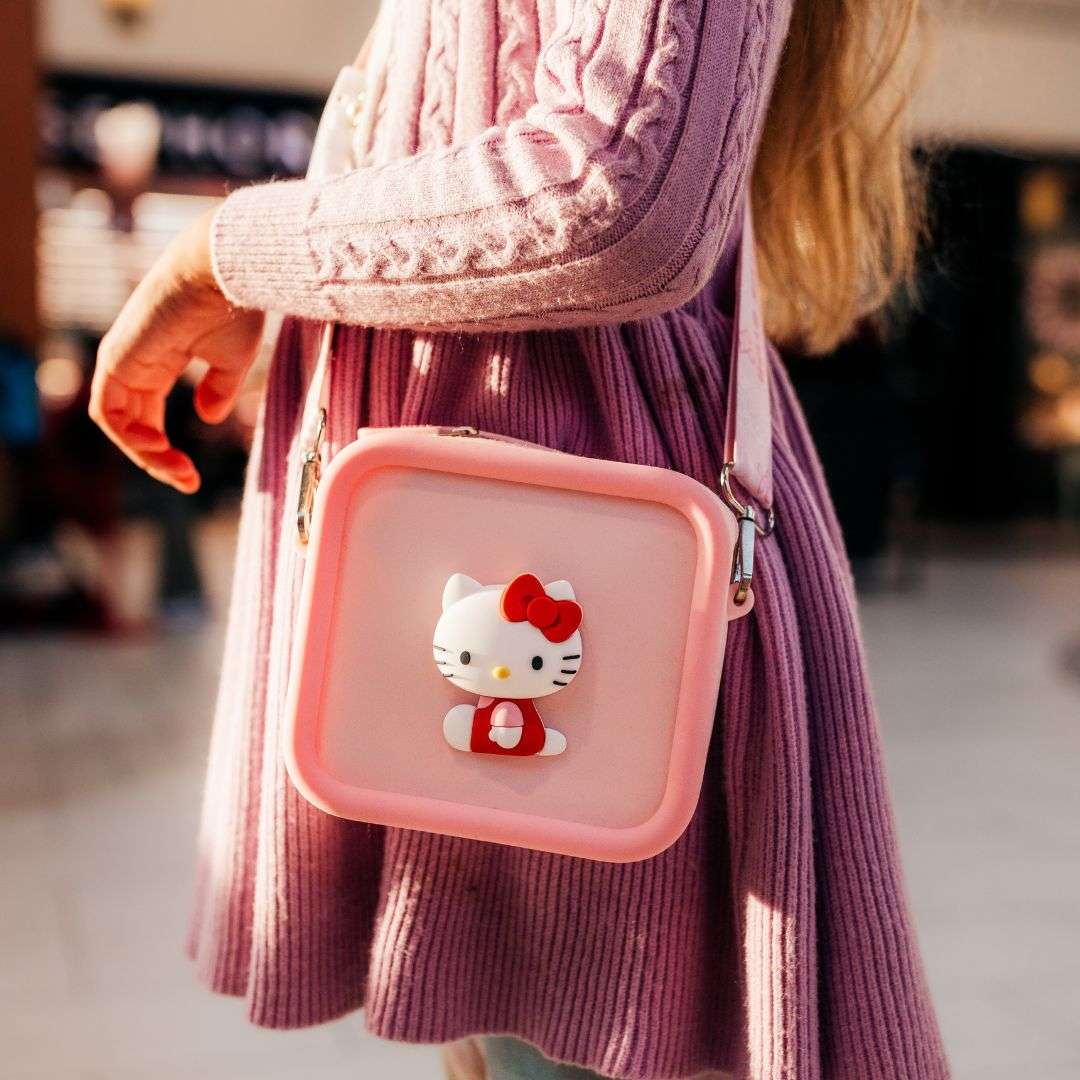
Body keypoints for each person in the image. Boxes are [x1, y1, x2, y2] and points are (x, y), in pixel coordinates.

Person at [89, 1, 948, 1077]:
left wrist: (217, 259)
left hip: (582, 553)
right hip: (492, 540)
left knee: (589, 1021)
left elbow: (614, 196)